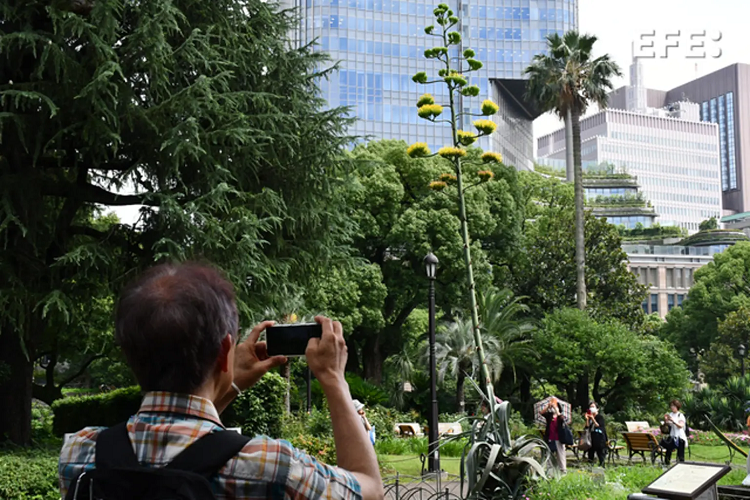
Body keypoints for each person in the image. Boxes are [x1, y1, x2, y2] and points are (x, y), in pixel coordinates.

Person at [59, 262, 384, 500]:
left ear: (129, 354)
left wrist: (226, 385)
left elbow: (172, 456)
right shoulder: (270, 466)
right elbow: (368, 490)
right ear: (225, 349)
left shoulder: (80, 454)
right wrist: (332, 379)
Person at [542, 398, 567, 474]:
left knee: (560, 455)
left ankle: (562, 470)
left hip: (559, 438)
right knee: (549, 455)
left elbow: (562, 419)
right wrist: (548, 406)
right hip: (550, 438)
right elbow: (542, 413)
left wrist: (557, 410)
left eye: (555, 405)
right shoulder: (549, 416)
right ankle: (550, 471)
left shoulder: (560, 416)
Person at [664, 399, 688, 465]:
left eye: (674, 406)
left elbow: (681, 426)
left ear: (677, 406)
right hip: (672, 435)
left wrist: (673, 421)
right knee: (668, 450)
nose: (672, 407)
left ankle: (680, 464)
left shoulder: (680, 415)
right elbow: (668, 425)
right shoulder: (670, 414)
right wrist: (666, 420)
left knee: (680, 453)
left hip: (680, 436)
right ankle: (666, 463)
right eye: (671, 406)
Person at [584, 402, 607, 467]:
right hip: (591, 438)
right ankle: (590, 467)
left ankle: (601, 467)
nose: (592, 408)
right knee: (590, 454)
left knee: (600, 454)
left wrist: (593, 418)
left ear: (597, 409)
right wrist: (587, 419)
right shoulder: (590, 417)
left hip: (599, 438)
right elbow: (587, 427)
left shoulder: (599, 417)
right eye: (590, 407)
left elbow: (598, 425)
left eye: (593, 407)